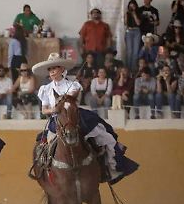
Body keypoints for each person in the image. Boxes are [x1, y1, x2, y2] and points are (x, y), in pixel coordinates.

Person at [33, 53, 138, 184]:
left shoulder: (72, 85)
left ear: (62, 69)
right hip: (56, 120)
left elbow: (71, 104)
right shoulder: (45, 89)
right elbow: (44, 110)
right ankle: (48, 174)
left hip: (75, 116)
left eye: (55, 67)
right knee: (45, 147)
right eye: (50, 69)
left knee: (106, 137)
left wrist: (64, 103)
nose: (52, 71)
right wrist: (54, 110)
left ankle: (110, 167)